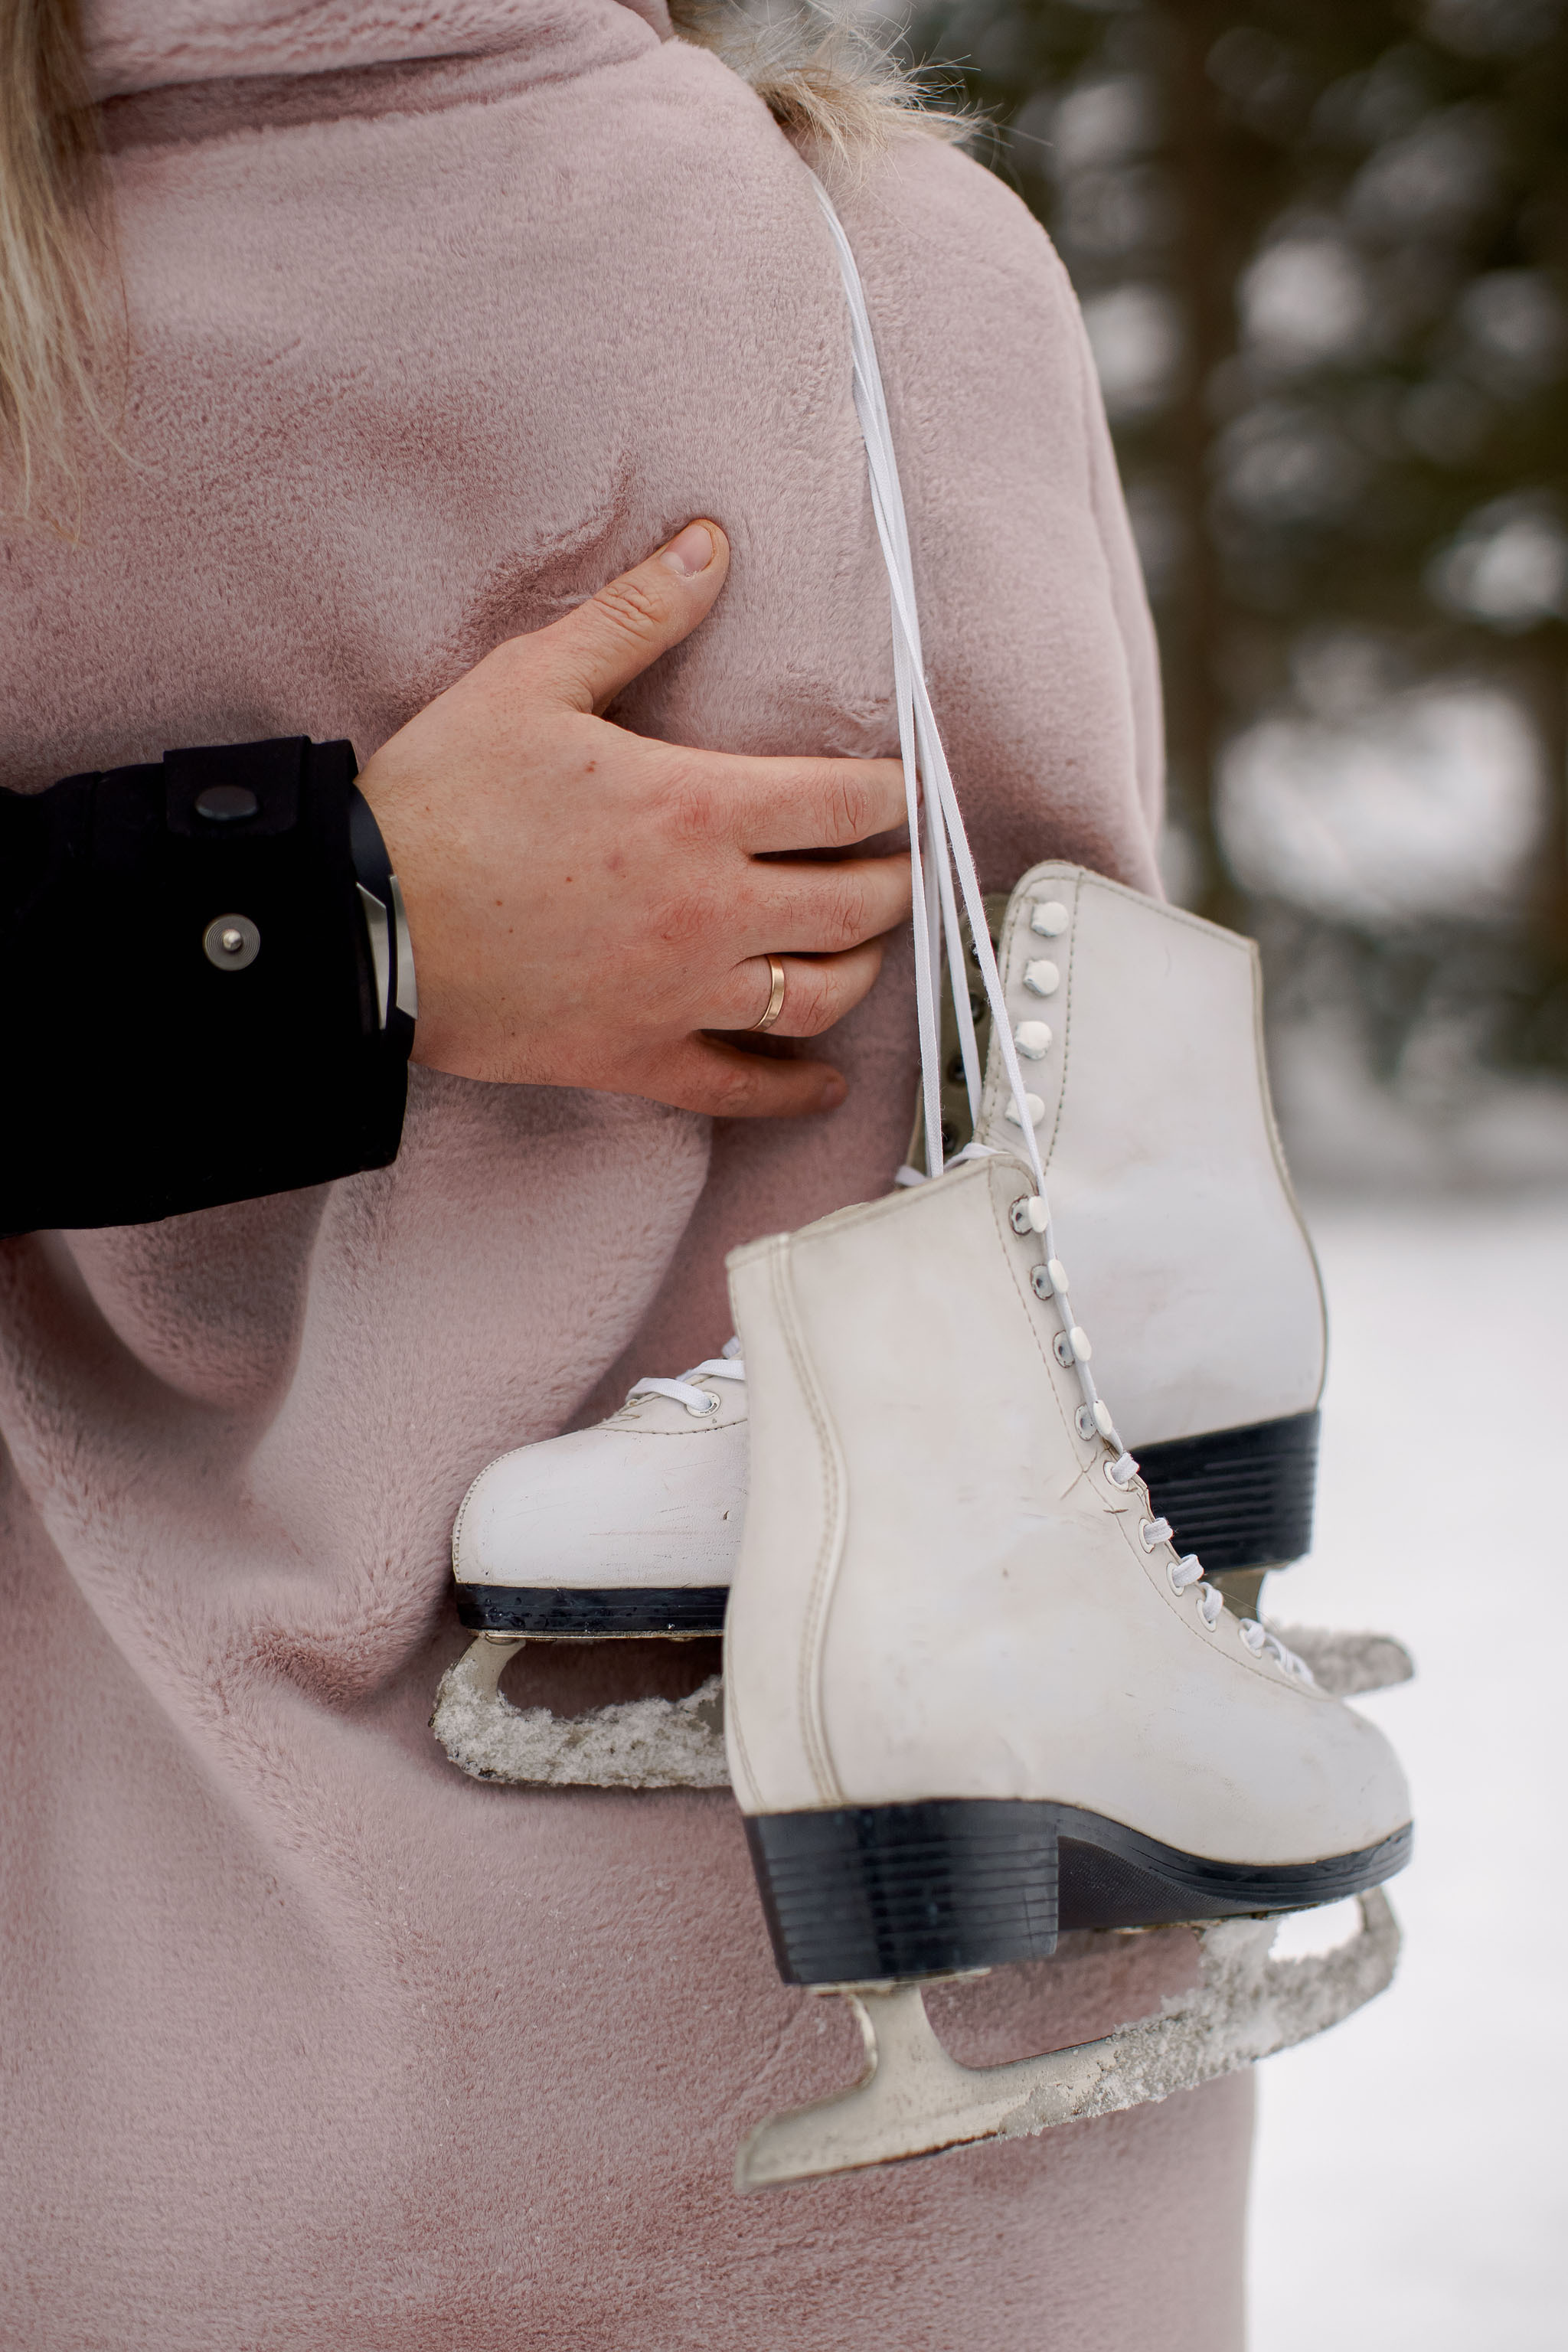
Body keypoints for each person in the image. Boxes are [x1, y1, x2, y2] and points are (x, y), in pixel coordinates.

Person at [0, 2, 1248, 2344]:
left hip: (158, 2114)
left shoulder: (58, 337)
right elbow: (1116, 1166)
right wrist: (344, 920)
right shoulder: (901, 268)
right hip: (978, 2051)